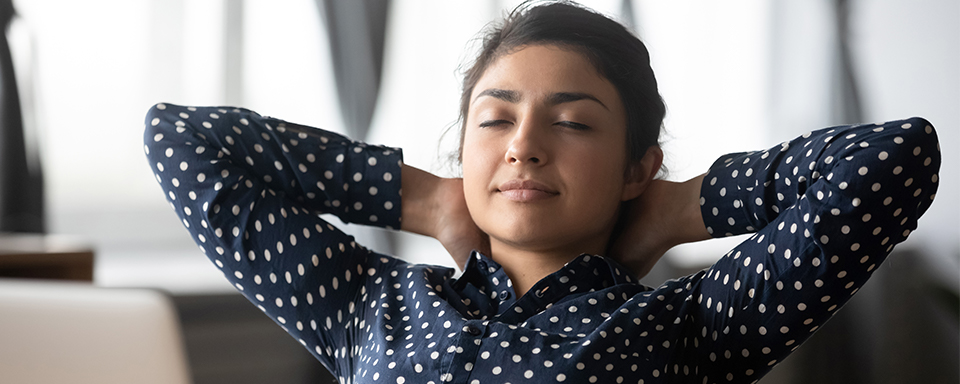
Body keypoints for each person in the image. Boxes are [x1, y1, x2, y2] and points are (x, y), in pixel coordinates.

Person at [144, 2, 940, 383]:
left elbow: (894, 159)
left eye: (574, 124)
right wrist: (423, 199)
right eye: (495, 120)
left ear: (636, 167)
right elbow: (180, 139)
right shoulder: (368, 306)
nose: (523, 144)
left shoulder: (692, 326)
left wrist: (678, 207)